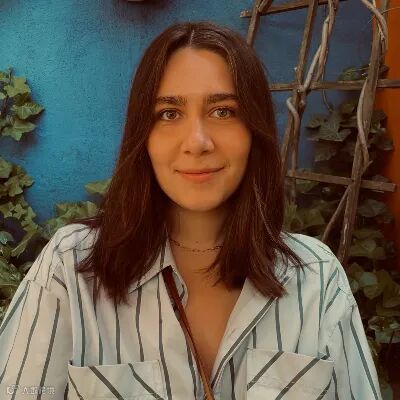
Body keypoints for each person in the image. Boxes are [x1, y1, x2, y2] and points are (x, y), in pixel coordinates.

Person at [0, 21, 382, 400]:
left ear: (254, 130)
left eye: (223, 111)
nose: (197, 142)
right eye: (169, 113)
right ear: (143, 136)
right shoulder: (72, 268)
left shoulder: (316, 277)